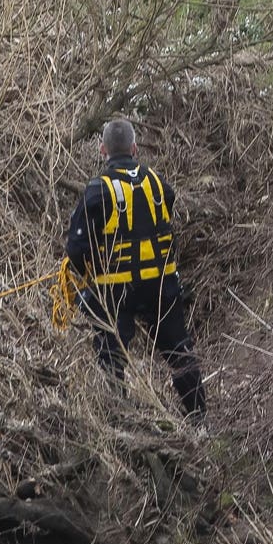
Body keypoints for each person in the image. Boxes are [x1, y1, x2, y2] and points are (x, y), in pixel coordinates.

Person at [64, 118, 204, 424]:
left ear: (103, 150)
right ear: (135, 148)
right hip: (161, 287)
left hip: (117, 291)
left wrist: (88, 277)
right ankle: (199, 419)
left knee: (111, 356)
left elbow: (75, 250)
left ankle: (121, 421)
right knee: (180, 352)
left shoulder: (97, 191)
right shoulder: (158, 183)